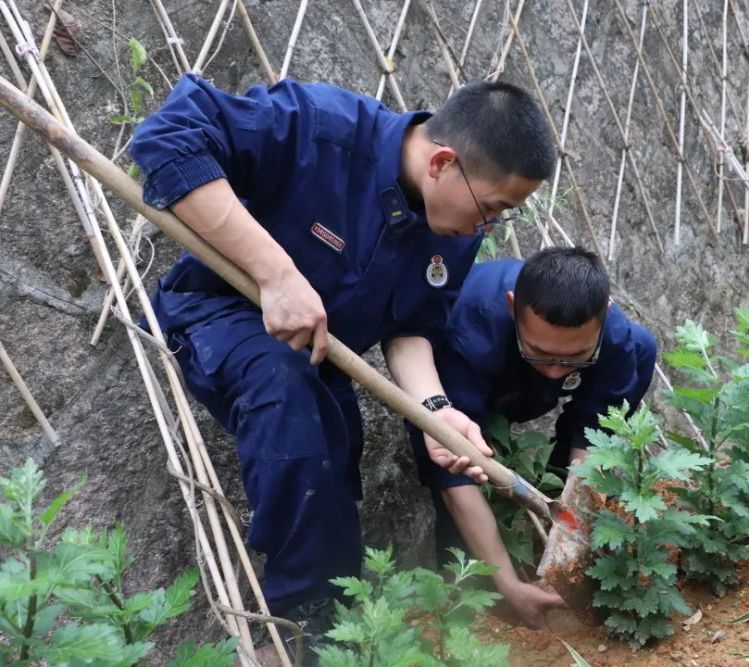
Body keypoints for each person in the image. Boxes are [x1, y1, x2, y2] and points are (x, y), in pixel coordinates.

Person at [129, 73, 557, 635]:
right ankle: (302, 624)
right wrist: (275, 273)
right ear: (441, 163)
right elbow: (168, 136)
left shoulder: (453, 229)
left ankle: (334, 630)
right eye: (493, 206)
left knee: (334, 456)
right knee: (288, 398)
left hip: (314, 355)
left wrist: (434, 410)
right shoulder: (320, 127)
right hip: (214, 312)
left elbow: (411, 327)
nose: (490, 225)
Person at [407, 247, 657, 629]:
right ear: (512, 308)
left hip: (524, 386)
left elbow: (593, 440)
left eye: (574, 357)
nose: (556, 372)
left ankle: (551, 519)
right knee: (459, 473)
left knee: (642, 348)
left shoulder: (619, 338)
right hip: (470, 387)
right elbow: (449, 470)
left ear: (603, 314)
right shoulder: (468, 329)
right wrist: (506, 583)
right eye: (541, 353)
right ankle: (469, 600)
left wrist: (571, 532)